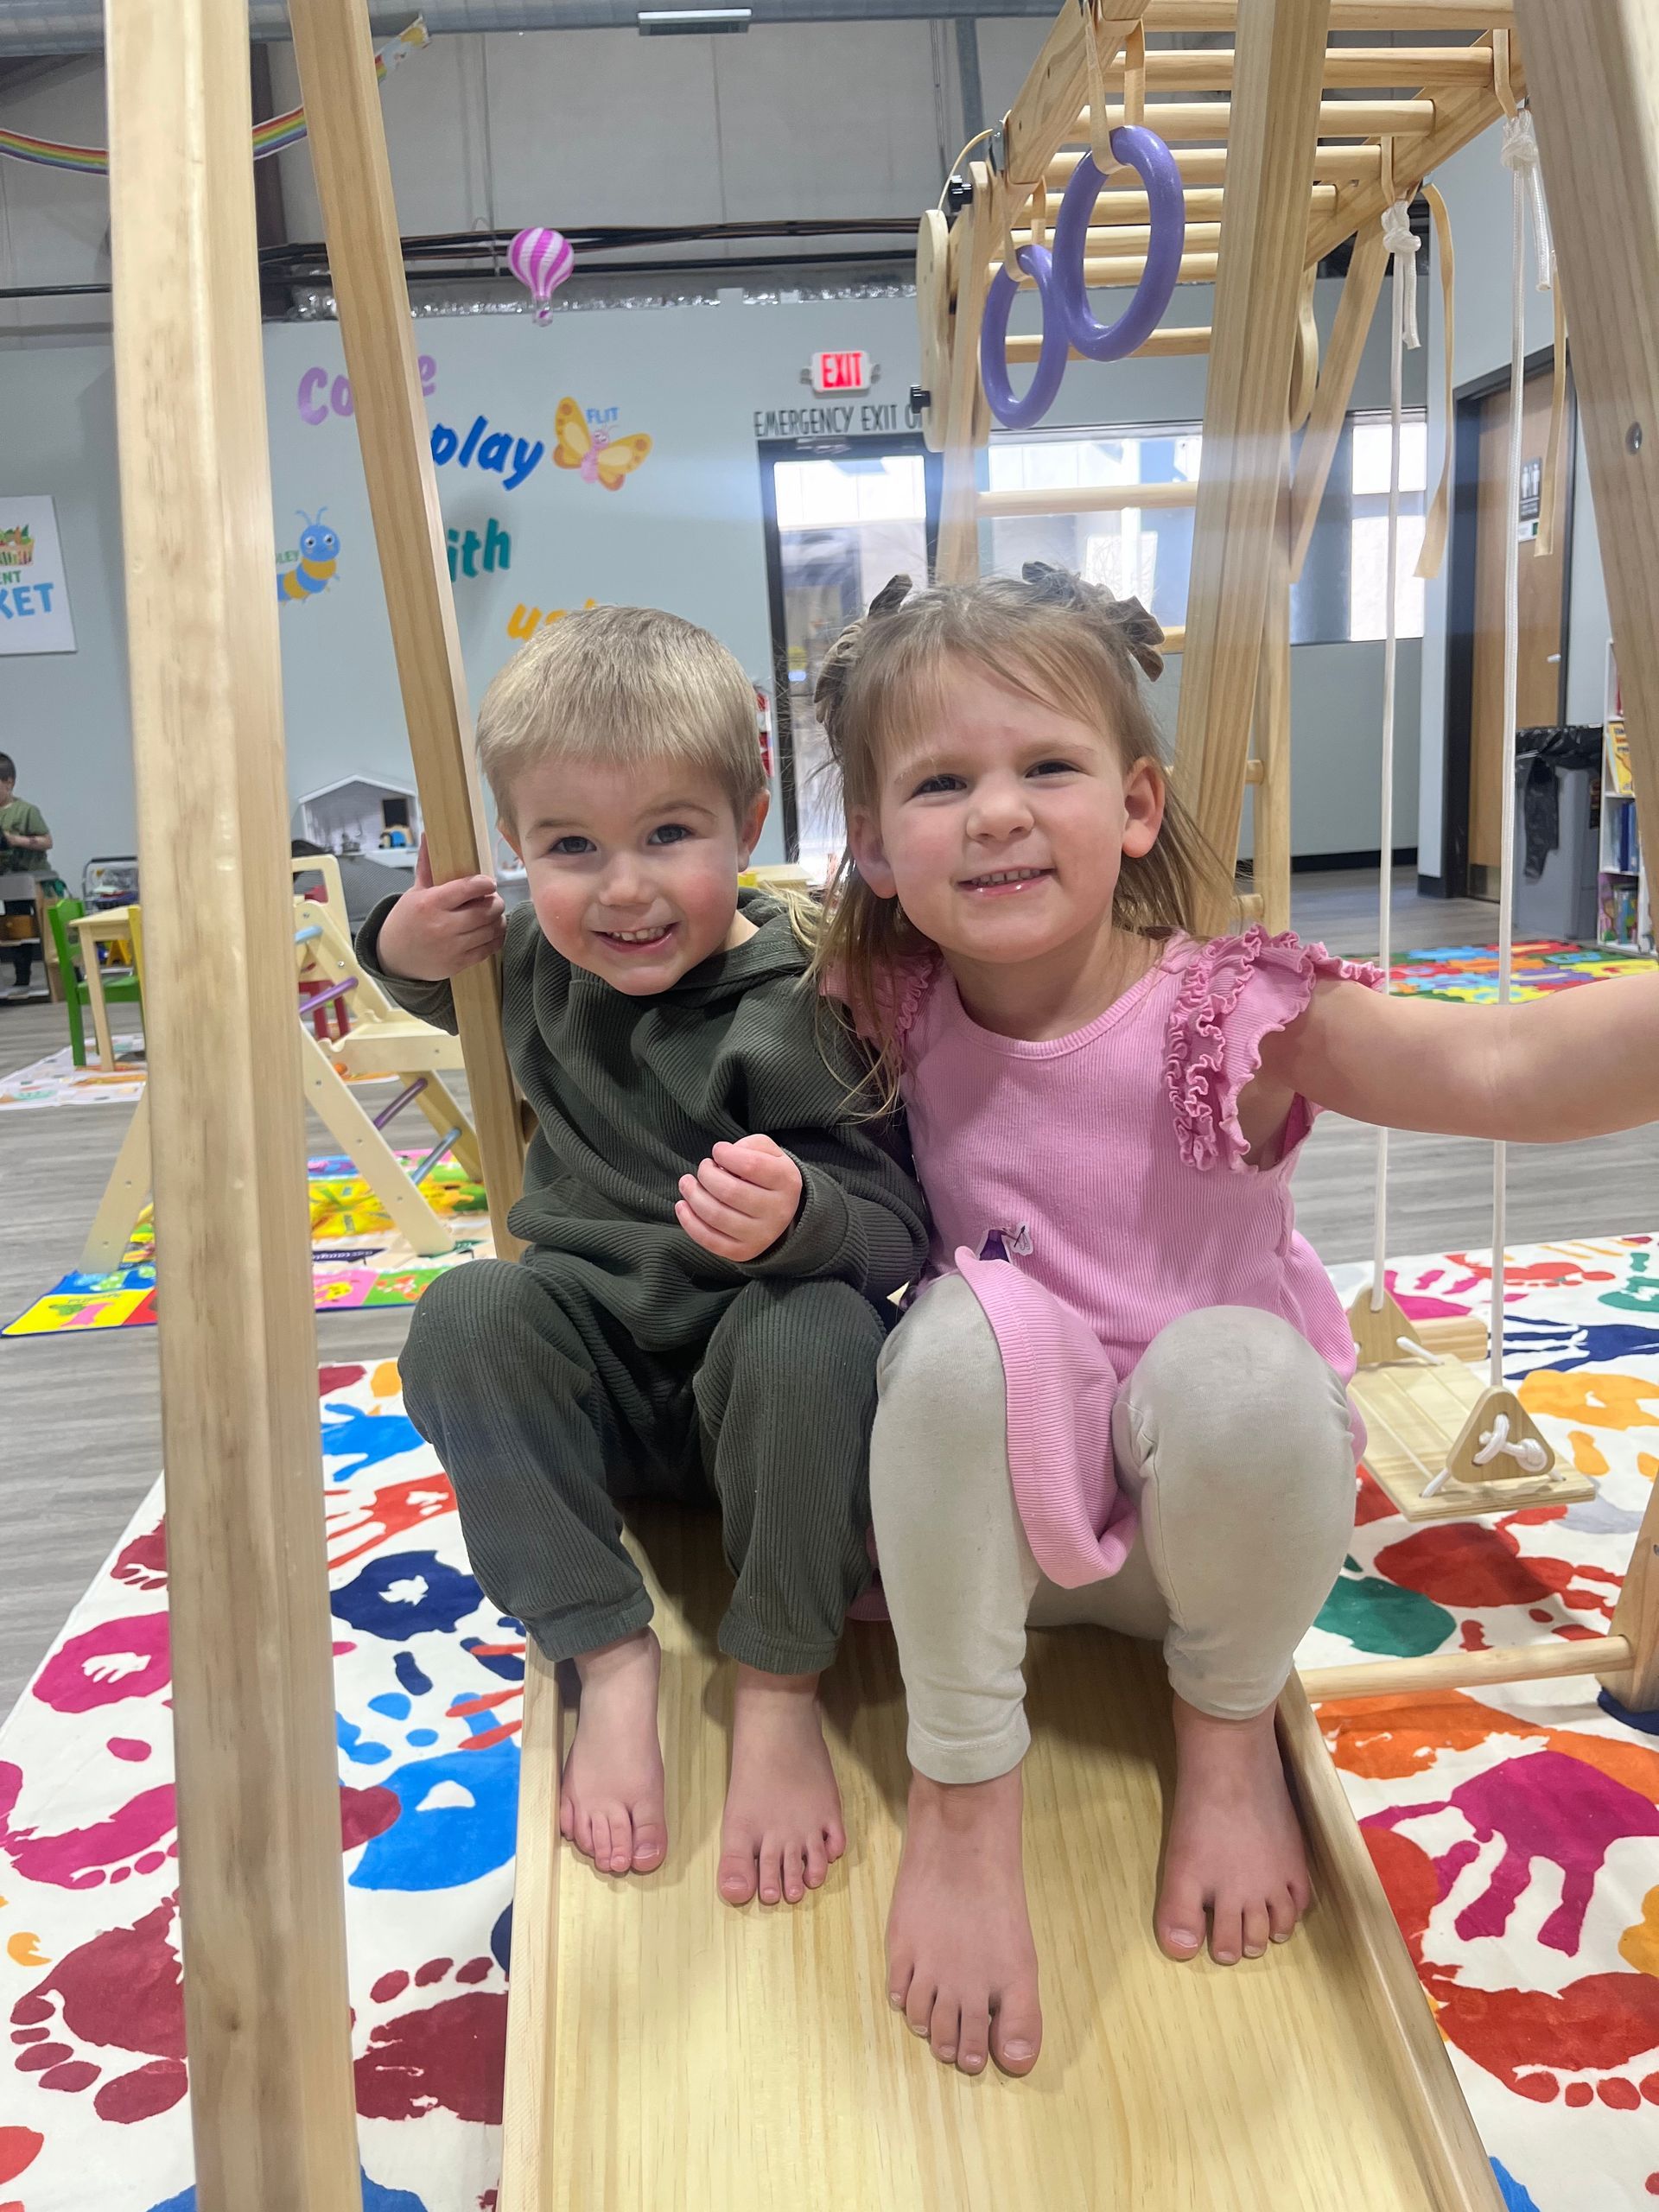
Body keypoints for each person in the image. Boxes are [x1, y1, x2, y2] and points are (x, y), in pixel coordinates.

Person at [809, 563, 1659, 2081]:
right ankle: (962, 1797)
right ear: (875, 847)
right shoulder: (887, 1001)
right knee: (954, 1328)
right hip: (986, 1556)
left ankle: (1224, 1734)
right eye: (943, 783)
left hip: (1215, 1560)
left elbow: (1504, 1070)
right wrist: (426, 948)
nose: (997, 811)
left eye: (1047, 767)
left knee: (1248, 1366)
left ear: (1137, 806)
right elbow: (650, 975)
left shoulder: (1228, 1009)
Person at [359, 605, 927, 1909]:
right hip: (599, 1391)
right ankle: (605, 1653)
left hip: (768, 1402)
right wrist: (399, 937)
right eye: (571, 847)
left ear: (749, 814)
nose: (621, 888)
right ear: (516, 848)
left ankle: (780, 1682)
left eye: (669, 835)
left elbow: (902, 1233)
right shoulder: (528, 962)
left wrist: (807, 1220)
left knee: (820, 1325)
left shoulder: (803, 1003)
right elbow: (409, 973)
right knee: (466, 1311)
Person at [0, 751, 58, 999]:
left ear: (9, 783)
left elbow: (47, 841)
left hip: (35, 879)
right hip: (9, 880)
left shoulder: (26, 811)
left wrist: (16, 840)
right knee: (16, 929)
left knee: (48, 930)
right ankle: (21, 977)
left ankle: (63, 975)